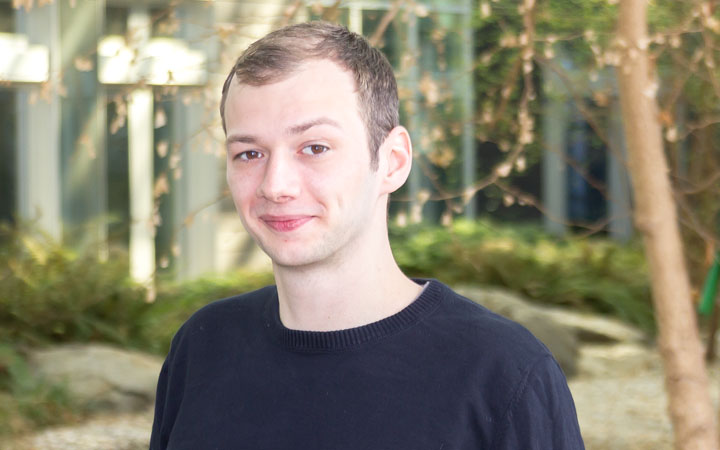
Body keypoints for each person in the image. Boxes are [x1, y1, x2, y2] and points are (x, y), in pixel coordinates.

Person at [149, 21, 585, 449]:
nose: (275, 185)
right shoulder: (202, 348)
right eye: (249, 153)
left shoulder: (503, 373)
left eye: (315, 148)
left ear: (393, 162)